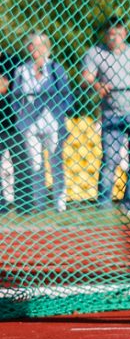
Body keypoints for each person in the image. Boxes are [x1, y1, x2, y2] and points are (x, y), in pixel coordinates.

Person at [82, 15, 130, 215]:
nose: (114, 38)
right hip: (110, 113)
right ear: (106, 35)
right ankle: (104, 204)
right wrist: (97, 84)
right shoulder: (96, 53)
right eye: (110, 34)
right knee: (111, 159)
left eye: (118, 33)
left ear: (124, 33)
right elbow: (86, 77)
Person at [11, 33, 74, 212]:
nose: (34, 49)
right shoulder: (22, 70)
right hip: (29, 124)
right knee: (35, 164)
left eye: (39, 45)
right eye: (31, 45)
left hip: (52, 122)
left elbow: (66, 95)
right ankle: (39, 205)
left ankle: (59, 204)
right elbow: (16, 98)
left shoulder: (55, 68)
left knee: (55, 161)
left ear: (46, 47)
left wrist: (62, 114)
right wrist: (19, 115)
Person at [0, 49, 26, 214]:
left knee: (22, 161)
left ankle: (25, 204)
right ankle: (1, 205)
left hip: (13, 120)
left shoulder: (12, 60)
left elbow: (5, 87)